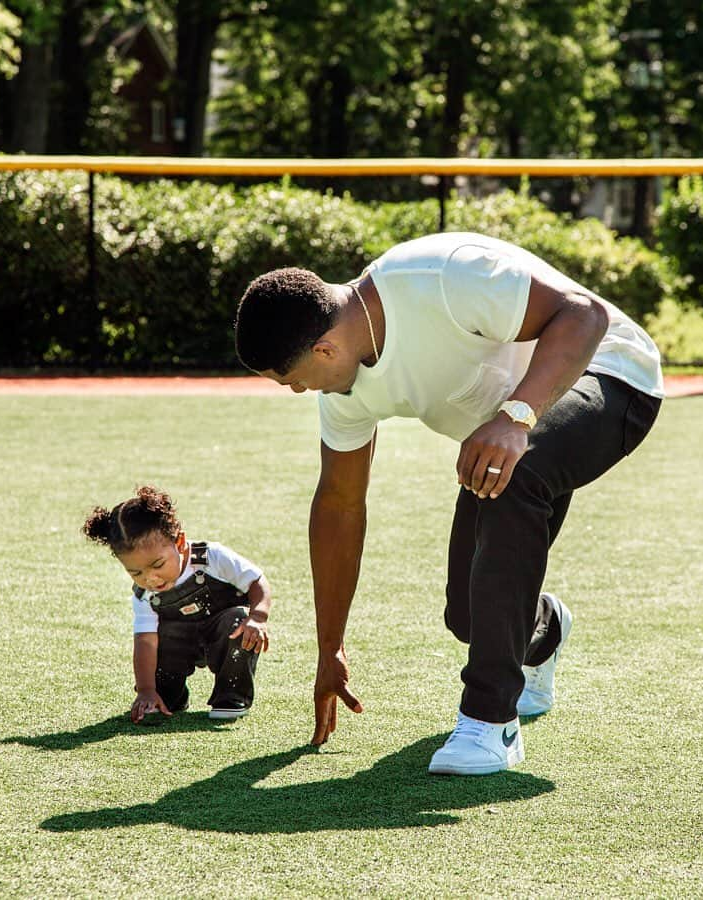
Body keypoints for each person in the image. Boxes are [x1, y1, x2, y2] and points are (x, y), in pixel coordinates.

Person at [234, 231, 663, 775]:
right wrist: (330, 648)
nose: (299, 392)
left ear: (324, 350)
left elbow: (584, 316)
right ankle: (544, 628)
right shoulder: (344, 389)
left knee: (517, 473)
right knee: (469, 615)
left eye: (293, 380)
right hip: (511, 436)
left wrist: (516, 418)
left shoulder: (443, 276)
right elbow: (340, 505)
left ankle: (490, 724)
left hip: (611, 375)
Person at [83, 485, 272, 724]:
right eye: (136, 572)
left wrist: (258, 616)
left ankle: (232, 696)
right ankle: (167, 695)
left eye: (158, 565)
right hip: (178, 641)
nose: (151, 578)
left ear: (179, 541)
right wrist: (145, 690)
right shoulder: (145, 595)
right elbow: (145, 642)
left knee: (238, 620)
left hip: (223, 630)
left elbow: (257, 580)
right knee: (158, 643)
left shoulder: (211, 557)